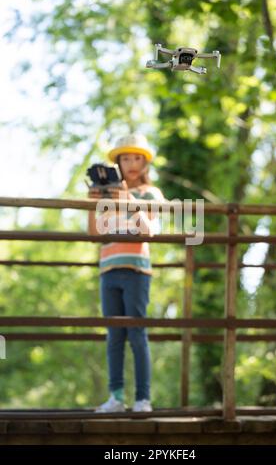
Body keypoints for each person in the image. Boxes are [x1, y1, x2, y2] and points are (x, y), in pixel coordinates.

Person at [88, 133, 165, 413]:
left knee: (137, 333)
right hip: (109, 268)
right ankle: (116, 398)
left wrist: (126, 198)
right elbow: (96, 232)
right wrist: (94, 201)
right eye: (125, 158)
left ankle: (143, 398)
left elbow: (148, 231)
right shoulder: (108, 197)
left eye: (136, 158)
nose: (131, 163)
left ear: (145, 163)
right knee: (114, 336)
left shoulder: (150, 194)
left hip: (136, 269)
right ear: (117, 163)